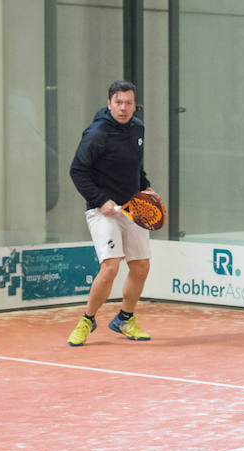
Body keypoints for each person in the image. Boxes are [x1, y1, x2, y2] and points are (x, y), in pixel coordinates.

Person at [67, 80, 153, 346]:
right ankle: (87, 319)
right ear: (109, 104)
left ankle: (125, 318)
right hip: (102, 209)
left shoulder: (137, 128)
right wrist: (101, 199)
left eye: (129, 103)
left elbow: (135, 168)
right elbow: (77, 171)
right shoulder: (96, 134)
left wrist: (145, 189)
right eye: (118, 103)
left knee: (140, 266)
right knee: (111, 267)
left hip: (132, 208)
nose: (124, 108)